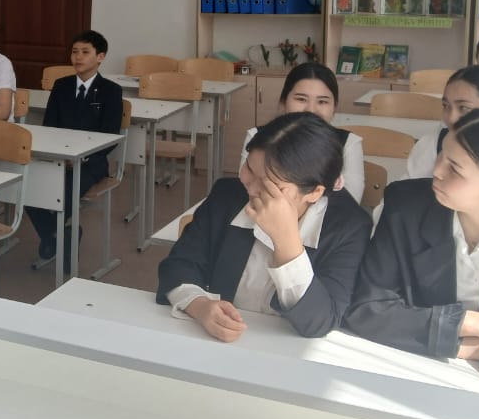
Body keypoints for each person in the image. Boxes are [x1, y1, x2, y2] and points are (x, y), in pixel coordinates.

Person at [346, 108, 479, 388]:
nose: (436, 170)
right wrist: (474, 324)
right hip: (412, 374)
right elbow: (367, 309)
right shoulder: (406, 206)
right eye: (442, 153)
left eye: (454, 169)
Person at [156, 112, 371, 340]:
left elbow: (320, 321)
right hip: (214, 341)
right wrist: (200, 306)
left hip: (285, 351)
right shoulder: (228, 195)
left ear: (315, 192)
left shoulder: (350, 227)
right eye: (249, 168)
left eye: (270, 185)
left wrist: (286, 242)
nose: (251, 188)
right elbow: (179, 265)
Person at [28, 30, 123, 271]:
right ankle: (60, 236)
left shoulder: (111, 90)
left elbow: (111, 136)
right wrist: (58, 156)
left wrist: (83, 158)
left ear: (100, 57)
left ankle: (54, 239)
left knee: (64, 192)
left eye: (85, 52)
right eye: (74, 52)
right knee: (28, 189)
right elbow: (49, 127)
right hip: (58, 159)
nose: (78, 57)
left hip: (91, 162)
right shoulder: (61, 86)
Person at [239, 62, 364, 201]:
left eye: (322, 102)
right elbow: (247, 190)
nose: (311, 110)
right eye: (301, 99)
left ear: (334, 107)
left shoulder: (348, 143)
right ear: (283, 102)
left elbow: (350, 203)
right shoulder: (257, 137)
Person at [405, 65, 479, 179]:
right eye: (446, 106)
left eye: (463, 108)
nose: (451, 118)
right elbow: (407, 187)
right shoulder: (433, 144)